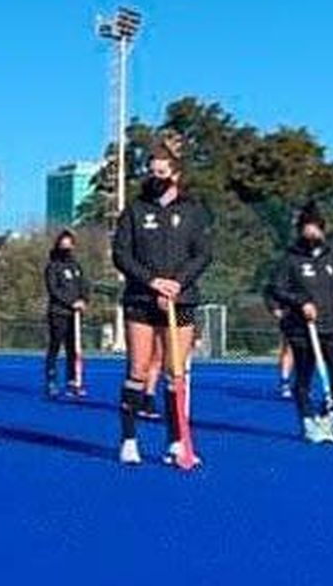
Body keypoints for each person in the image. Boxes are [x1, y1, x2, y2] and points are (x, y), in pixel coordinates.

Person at [111, 134, 212, 465]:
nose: (156, 177)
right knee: (139, 368)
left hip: (181, 303)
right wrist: (153, 281)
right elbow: (121, 255)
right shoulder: (135, 211)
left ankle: (176, 442)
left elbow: (202, 254)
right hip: (141, 300)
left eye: (163, 171)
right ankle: (128, 439)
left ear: (176, 174)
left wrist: (177, 284)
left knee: (175, 370)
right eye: (152, 171)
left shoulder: (193, 211)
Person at [267, 205, 333, 444]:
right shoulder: (290, 259)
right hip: (302, 329)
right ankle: (307, 419)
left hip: (332, 326)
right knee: (303, 375)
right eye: (308, 228)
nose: (312, 233)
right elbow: (277, 288)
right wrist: (301, 302)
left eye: (316, 228)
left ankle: (326, 415)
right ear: (301, 230)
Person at [43, 230, 90, 398]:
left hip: (75, 315)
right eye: (63, 245)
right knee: (55, 346)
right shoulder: (53, 266)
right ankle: (51, 380)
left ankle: (73, 381)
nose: (66, 248)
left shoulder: (77, 266)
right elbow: (54, 290)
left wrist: (84, 300)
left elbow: (85, 286)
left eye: (69, 245)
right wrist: (71, 302)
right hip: (58, 313)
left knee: (73, 348)